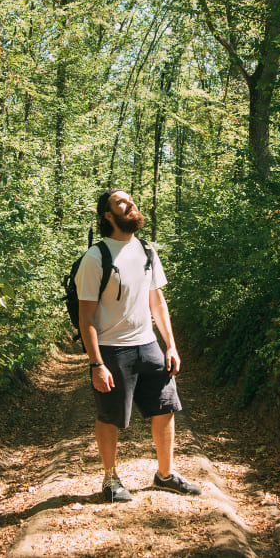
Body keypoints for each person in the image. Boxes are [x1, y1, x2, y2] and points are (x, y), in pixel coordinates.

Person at [75, 188, 203, 502]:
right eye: (121, 202)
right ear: (108, 215)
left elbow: (157, 302)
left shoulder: (147, 251)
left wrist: (170, 345)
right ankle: (110, 478)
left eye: (130, 199)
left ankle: (165, 474)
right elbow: (86, 316)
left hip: (149, 345)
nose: (130, 203)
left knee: (165, 409)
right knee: (110, 416)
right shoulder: (95, 258)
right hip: (112, 349)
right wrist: (96, 363)